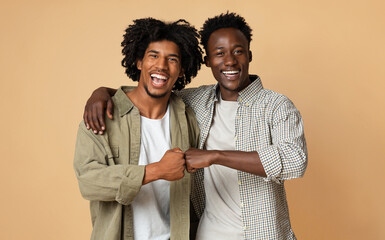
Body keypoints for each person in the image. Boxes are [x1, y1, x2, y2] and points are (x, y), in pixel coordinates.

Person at [84, 12, 308, 239]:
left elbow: (294, 160)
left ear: (249, 54)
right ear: (208, 61)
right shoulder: (197, 101)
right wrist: (103, 93)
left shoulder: (276, 106)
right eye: (219, 53)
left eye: (238, 51)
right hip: (208, 234)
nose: (229, 61)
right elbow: (155, 88)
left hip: (264, 234)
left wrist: (215, 156)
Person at [74, 17, 202, 240]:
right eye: (153, 56)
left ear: (181, 70)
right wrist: (155, 171)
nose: (161, 65)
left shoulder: (187, 116)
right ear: (139, 62)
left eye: (172, 59)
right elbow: (88, 181)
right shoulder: (102, 116)